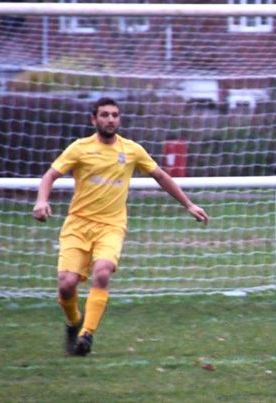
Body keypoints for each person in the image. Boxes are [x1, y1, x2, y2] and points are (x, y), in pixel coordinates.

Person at [33, 97, 209, 356]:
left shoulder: (132, 150)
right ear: (94, 120)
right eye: (104, 115)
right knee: (66, 284)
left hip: (111, 226)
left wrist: (189, 205)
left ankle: (87, 335)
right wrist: (41, 200)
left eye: (115, 115)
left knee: (102, 272)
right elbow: (50, 175)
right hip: (78, 225)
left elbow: (160, 175)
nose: (110, 119)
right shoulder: (79, 148)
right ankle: (74, 323)